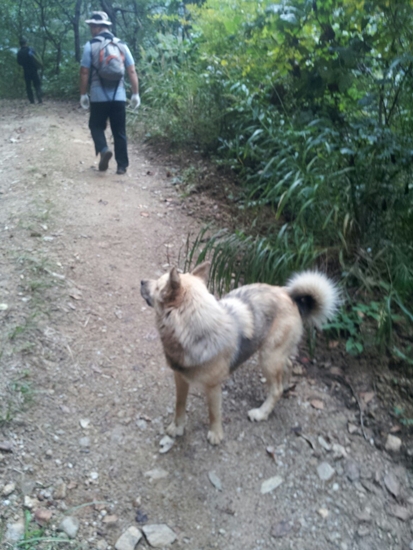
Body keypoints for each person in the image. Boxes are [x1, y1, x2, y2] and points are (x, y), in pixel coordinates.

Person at [79, 11, 140, 175]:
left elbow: (84, 72)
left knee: (95, 125)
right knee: (119, 131)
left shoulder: (90, 45)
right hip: (118, 95)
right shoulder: (121, 45)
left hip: (98, 96)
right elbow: (132, 71)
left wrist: (83, 94)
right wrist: (135, 94)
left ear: (97, 27)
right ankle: (121, 166)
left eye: (92, 26)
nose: (91, 28)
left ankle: (104, 149)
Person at [17, 38, 43, 105]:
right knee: (37, 85)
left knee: (28, 86)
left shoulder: (19, 52)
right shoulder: (31, 49)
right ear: (26, 43)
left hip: (26, 71)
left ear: (20, 45)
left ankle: (32, 101)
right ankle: (40, 99)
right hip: (34, 70)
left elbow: (19, 62)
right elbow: (37, 58)